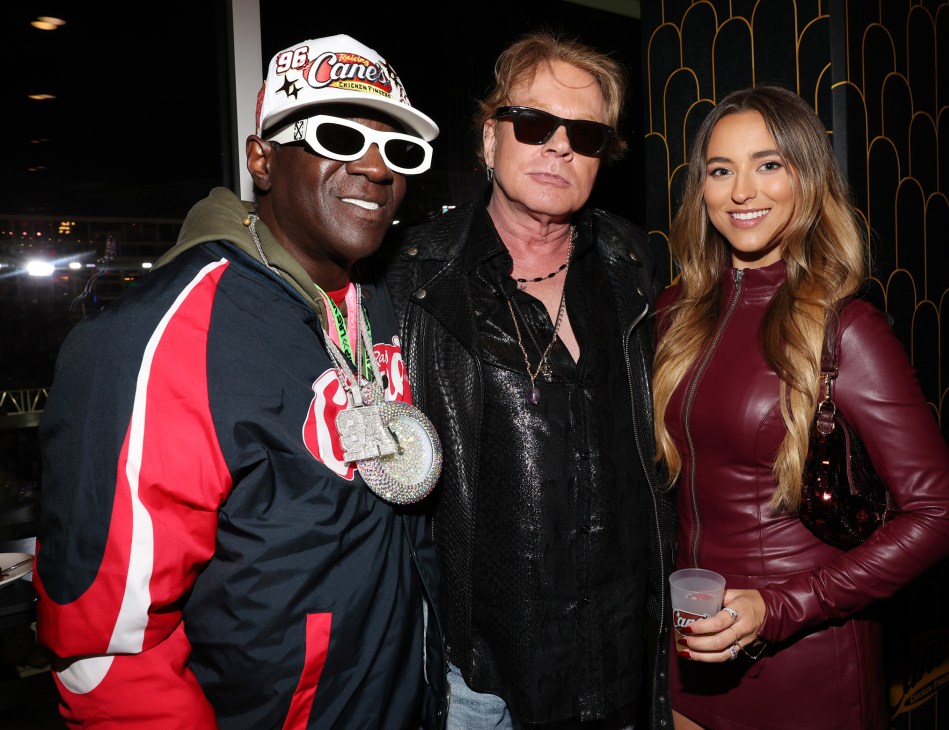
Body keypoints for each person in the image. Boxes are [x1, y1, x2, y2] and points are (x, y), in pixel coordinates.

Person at [32, 33, 447, 728]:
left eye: (398, 151)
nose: (376, 169)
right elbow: (107, 656)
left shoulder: (378, 305)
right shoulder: (163, 335)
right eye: (339, 136)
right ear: (262, 159)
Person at [651, 84, 949, 729]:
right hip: (693, 649)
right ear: (701, 189)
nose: (743, 191)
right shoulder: (675, 312)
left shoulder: (844, 327)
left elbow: (941, 514)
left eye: (769, 165)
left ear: (808, 180)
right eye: (721, 170)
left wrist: (782, 607)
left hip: (806, 663)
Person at [385, 29, 674, 729]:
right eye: (535, 123)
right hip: (478, 681)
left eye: (585, 133)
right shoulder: (412, 279)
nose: (558, 146)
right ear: (489, 140)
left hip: (622, 664)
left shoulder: (637, 270)